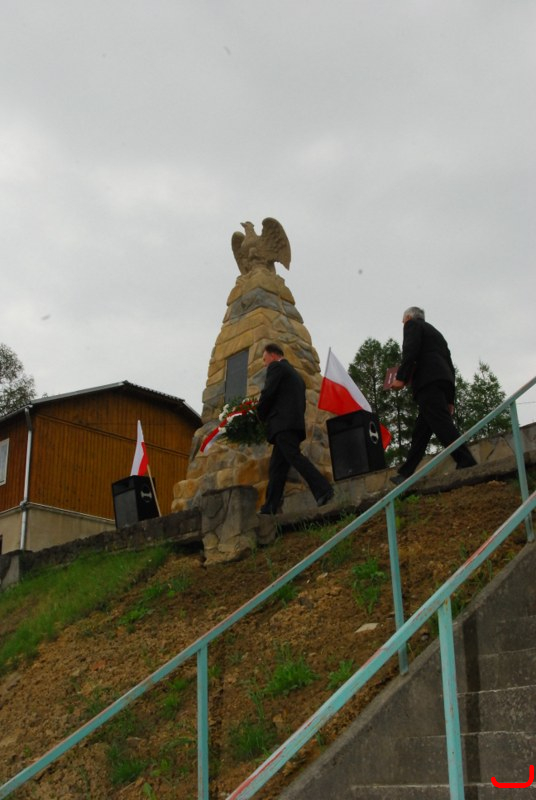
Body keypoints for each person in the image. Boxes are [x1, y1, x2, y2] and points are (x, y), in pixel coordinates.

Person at [390, 307, 477, 484]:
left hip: (427, 382)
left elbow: (410, 351)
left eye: (403, 319)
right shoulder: (437, 334)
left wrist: (401, 378)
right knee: (421, 432)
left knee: (441, 423)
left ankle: (466, 460)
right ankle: (406, 473)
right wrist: (450, 398)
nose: (402, 322)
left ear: (409, 317)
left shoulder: (412, 325)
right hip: (442, 380)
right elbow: (449, 365)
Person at [256, 342, 334, 513]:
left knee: (294, 457)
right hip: (292, 424)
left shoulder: (276, 367)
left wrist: (258, 414)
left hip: (282, 424)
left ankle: (323, 489)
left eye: (265, 359)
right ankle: (270, 507)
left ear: (273, 356)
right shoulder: (296, 375)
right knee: (277, 467)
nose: (264, 364)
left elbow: (268, 392)